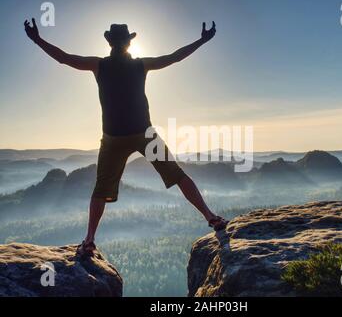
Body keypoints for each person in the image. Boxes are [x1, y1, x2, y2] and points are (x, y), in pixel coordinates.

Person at [24, 18, 228, 256]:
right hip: (143, 133)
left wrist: (37, 39)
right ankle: (211, 217)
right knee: (177, 174)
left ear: (110, 43)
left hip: (114, 138)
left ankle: (89, 240)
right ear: (128, 43)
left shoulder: (99, 65)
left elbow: (64, 58)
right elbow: (175, 57)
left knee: (101, 189)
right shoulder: (140, 65)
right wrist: (201, 41)